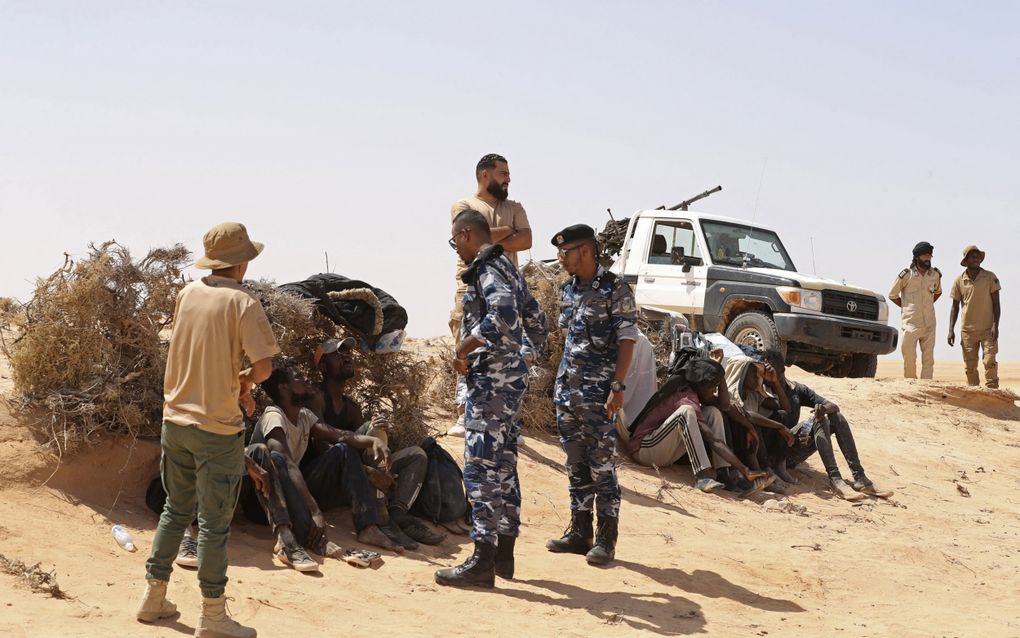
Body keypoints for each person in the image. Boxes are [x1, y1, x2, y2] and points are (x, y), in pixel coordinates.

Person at [138, 222, 279, 638]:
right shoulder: (244, 302)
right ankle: (214, 616)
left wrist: (236, 380)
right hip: (216, 429)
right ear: (242, 263)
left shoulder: (188, 293)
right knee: (215, 525)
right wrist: (245, 383)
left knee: (174, 511)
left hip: (175, 421)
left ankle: (153, 597)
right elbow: (265, 366)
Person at [435, 210, 547, 588]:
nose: (458, 250)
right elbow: (537, 320)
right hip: (510, 381)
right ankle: (503, 556)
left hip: (490, 383)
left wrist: (465, 348)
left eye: (455, 242)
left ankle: (483, 560)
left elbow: (500, 313)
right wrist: (525, 354)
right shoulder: (508, 267)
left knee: (481, 466)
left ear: (467, 235)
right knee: (504, 465)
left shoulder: (486, 269)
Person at [545, 224, 636, 567]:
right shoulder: (568, 290)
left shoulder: (615, 289)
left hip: (600, 395)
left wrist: (618, 386)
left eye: (565, 252)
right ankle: (579, 532)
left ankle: (605, 540)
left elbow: (627, 340)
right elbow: (568, 338)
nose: (561, 258)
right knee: (575, 464)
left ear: (585, 251)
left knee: (602, 466)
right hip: (568, 393)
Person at [250, 360, 403, 555]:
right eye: (299, 377)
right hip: (266, 502)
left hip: (293, 490)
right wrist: (314, 510)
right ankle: (308, 537)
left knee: (343, 450)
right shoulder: (274, 417)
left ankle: (367, 527)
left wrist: (372, 441)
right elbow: (287, 466)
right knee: (280, 461)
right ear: (283, 387)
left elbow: (338, 434)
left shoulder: (304, 415)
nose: (306, 380)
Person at [312, 336, 445, 546]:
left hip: (351, 483)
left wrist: (379, 461)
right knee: (372, 431)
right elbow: (322, 448)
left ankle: (396, 515)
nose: (346, 358)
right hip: (323, 483)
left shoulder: (351, 407)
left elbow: (366, 449)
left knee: (416, 455)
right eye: (338, 354)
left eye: (348, 353)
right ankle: (382, 522)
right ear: (322, 366)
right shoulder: (315, 397)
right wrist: (368, 471)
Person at [447, 153, 533, 437]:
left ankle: (506, 418)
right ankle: (464, 412)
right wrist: (509, 231)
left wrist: (490, 234)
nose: (508, 178)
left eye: (508, 173)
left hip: (506, 287)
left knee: (507, 350)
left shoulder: (515, 206)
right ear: (485, 174)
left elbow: (527, 239)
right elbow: (468, 235)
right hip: (471, 287)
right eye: (502, 173)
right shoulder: (464, 205)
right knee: (467, 346)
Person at [625, 356, 773, 497]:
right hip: (644, 450)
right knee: (686, 413)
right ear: (702, 386)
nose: (715, 391)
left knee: (713, 412)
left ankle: (724, 475)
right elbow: (713, 440)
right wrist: (744, 469)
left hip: (663, 451)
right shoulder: (685, 397)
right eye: (713, 387)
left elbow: (724, 405)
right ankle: (701, 476)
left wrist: (750, 427)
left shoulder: (696, 392)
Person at [760, 350, 893, 500]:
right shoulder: (763, 391)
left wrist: (823, 409)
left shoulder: (797, 389)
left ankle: (860, 477)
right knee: (818, 421)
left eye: (771, 369)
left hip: (793, 447)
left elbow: (833, 406)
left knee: (836, 417)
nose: (766, 374)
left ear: (782, 370)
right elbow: (783, 412)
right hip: (774, 454)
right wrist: (776, 384)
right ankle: (835, 479)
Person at [723, 354, 796, 493]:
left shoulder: (754, 394)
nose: (758, 378)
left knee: (781, 416)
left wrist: (775, 382)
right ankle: (761, 472)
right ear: (742, 374)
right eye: (754, 375)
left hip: (753, 445)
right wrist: (779, 427)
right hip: (735, 446)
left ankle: (774, 469)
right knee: (751, 423)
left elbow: (786, 408)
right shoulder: (731, 394)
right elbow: (747, 415)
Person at [948, 246, 1002, 388]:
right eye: (973, 256)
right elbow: (954, 306)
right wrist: (951, 330)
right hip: (968, 331)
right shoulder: (959, 280)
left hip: (987, 329)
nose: (976, 259)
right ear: (966, 260)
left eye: (978, 256)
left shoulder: (990, 277)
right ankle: (974, 396)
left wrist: (996, 325)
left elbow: (996, 304)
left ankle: (993, 393)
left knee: (989, 361)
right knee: (970, 366)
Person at [889, 241, 942, 379]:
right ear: (917, 256)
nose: (928, 258)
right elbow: (892, 294)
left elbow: (938, 292)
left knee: (928, 360)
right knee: (909, 357)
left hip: (929, 323)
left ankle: (926, 387)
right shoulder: (907, 275)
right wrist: (906, 306)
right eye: (925, 255)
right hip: (911, 323)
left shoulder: (935, 275)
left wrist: (928, 305)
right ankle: (910, 385)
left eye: (930, 255)